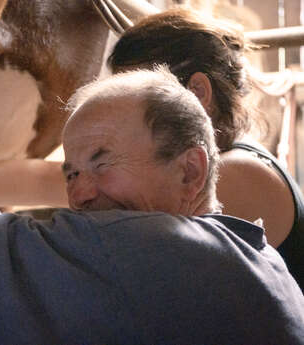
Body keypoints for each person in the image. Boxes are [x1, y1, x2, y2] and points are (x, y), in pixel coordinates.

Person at [0, 42, 304, 344]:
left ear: (191, 171)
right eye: (70, 174)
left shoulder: (152, 248)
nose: (80, 192)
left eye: (102, 162)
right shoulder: (254, 255)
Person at [106, 7, 304, 290]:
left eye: (134, 101)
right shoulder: (218, 161)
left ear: (197, 92)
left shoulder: (236, 175)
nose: (120, 121)